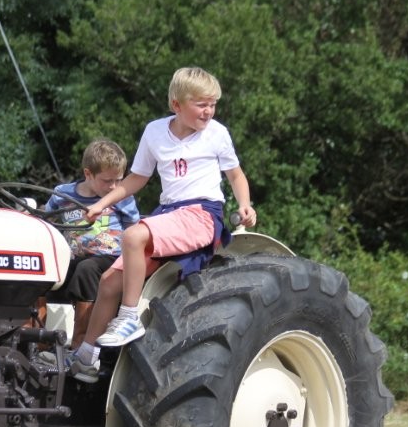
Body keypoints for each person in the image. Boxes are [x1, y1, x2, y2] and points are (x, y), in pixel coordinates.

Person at [69, 67, 256, 380]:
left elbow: (235, 175)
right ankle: (86, 356)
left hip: (201, 212)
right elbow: (137, 178)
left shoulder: (217, 134)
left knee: (133, 236)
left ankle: (129, 318)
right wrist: (101, 204)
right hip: (169, 212)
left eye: (213, 104)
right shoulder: (155, 132)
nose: (209, 111)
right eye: (201, 104)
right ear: (176, 105)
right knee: (109, 282)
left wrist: (245, 204)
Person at [44, 139, 140, 357]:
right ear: (88, 174)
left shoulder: (122, 197)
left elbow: (133, 229)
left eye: (119, 180)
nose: (114, 187)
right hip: (75, 256)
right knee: (46, 269)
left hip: (111, 258)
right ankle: (39, 342)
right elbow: (46, 219)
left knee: (86, 269)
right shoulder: (63, 194)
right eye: (107, 181)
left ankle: (81, 346)